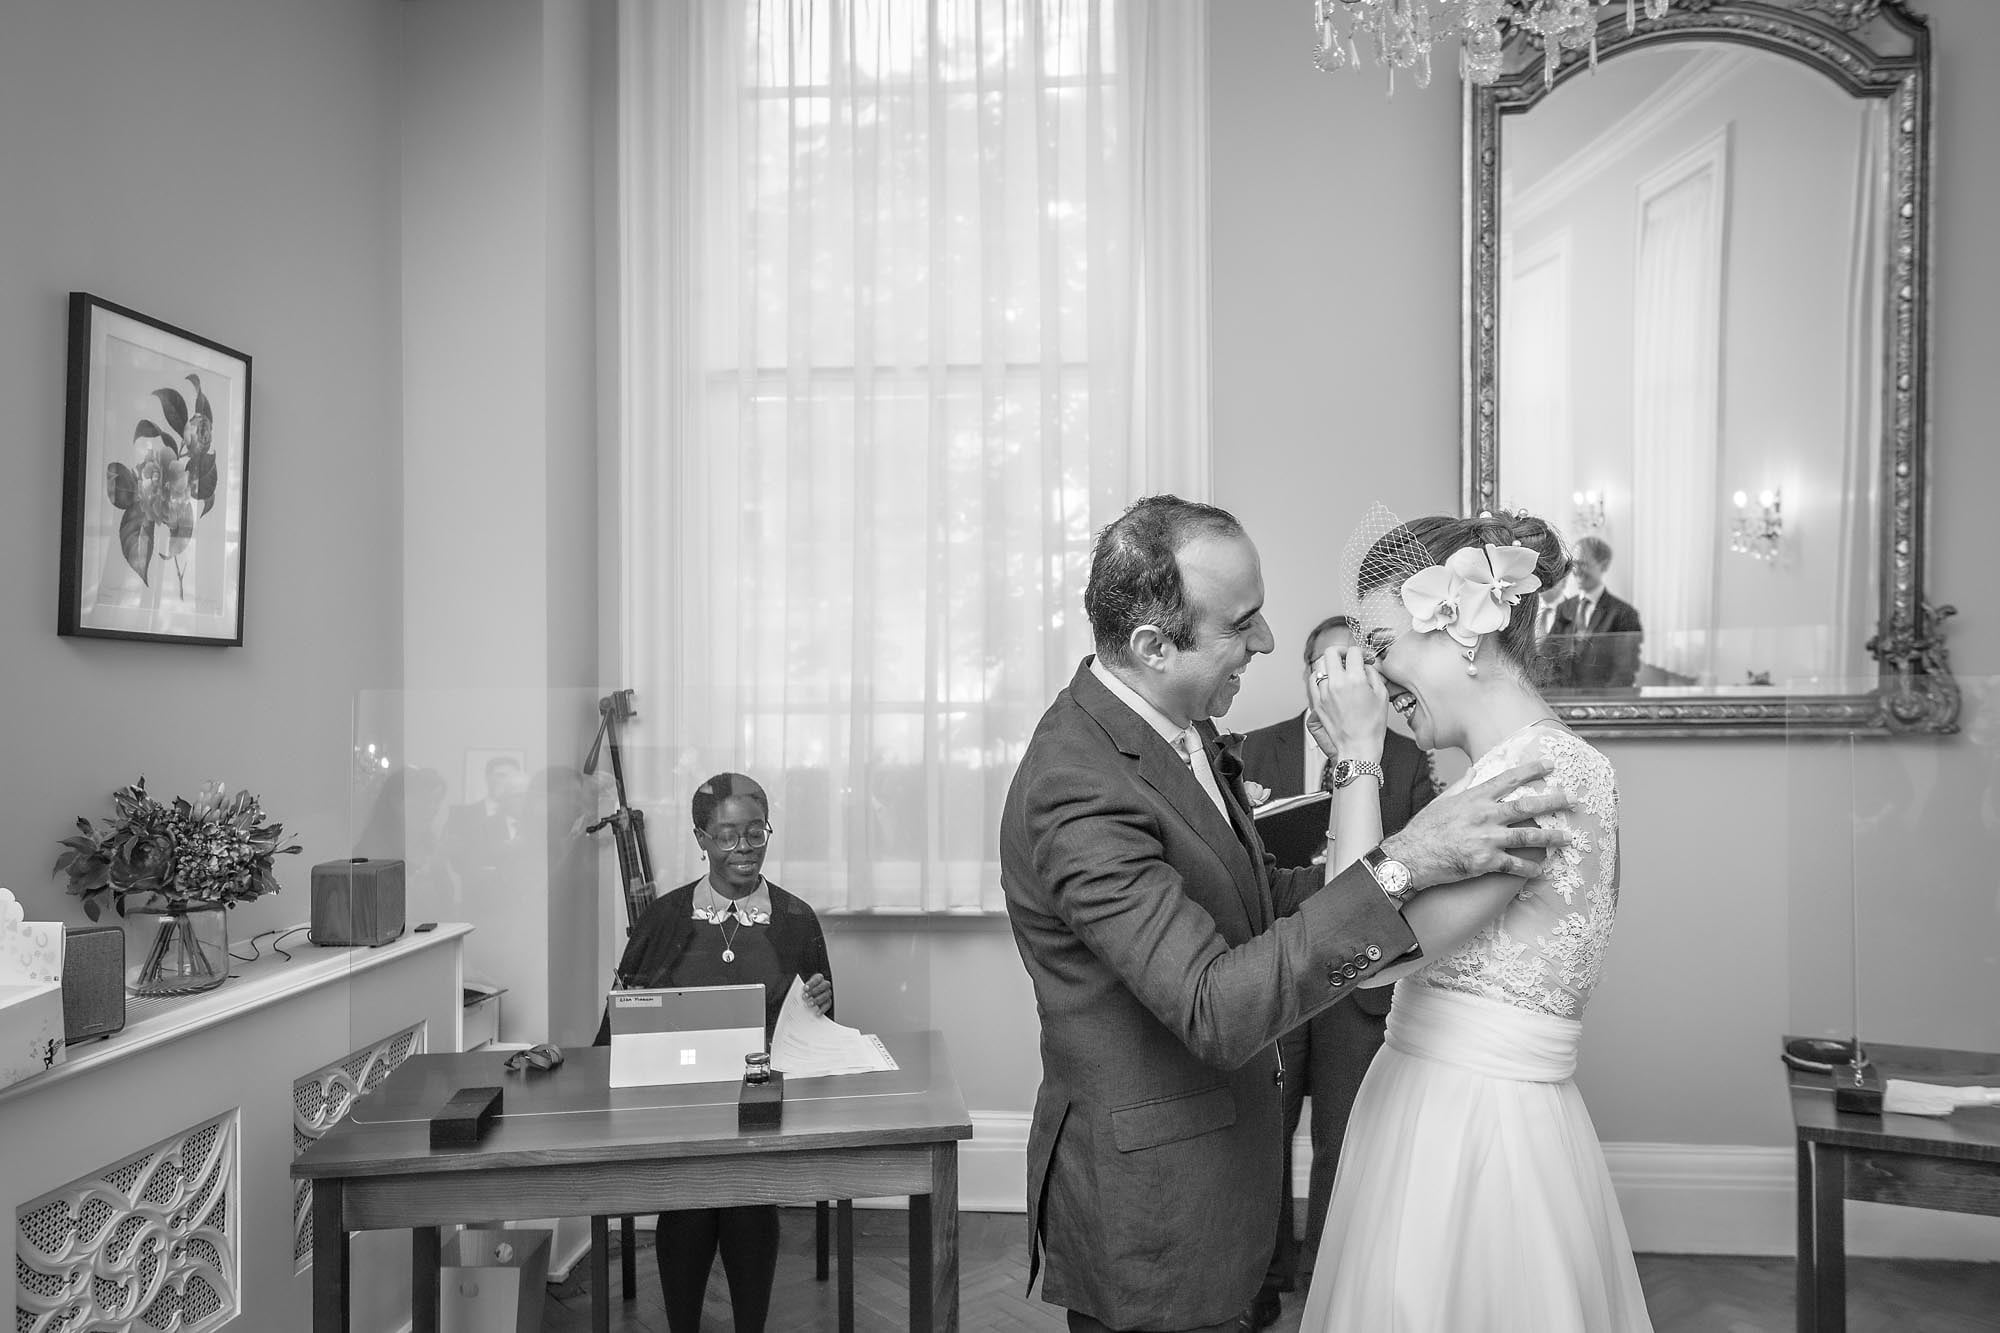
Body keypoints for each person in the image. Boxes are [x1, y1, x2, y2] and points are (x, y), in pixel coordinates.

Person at [999, 495, 1578, 1333]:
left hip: (1219, 1184)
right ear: (1155, 647)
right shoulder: (1077, 783)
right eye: (1243, 623)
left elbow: (1259, 897)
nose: (1269, 642)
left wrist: (1408, 851)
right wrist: (1405, 860)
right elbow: (1212, 1006)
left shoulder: (1178, 728)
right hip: (1156, 1219)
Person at [1298, 508, 1651, 1332]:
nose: (1376, 680)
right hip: (1426, 1100)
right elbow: (1355, 919)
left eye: (1381, 647)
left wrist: (1357, 752)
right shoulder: (1490, 780)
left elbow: (1358, 949)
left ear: (1461, 630)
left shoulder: (1544, 774)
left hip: (1477, 1132)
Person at [1236, 615, 1436, 1328]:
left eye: (1356, 664)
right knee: (1262, 1132)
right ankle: (1259, 1282)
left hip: (1362, 985)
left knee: (1344, 1138)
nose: (1341, 677)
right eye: (1327, 665)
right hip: (1283, 973)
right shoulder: (1252, 749)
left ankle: (1329, 1275)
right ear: (1307, 674)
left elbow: (1418, 881)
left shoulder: (1415, 761)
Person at [593, 773, 835, 1333]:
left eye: (756, 833)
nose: (744, 849)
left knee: (748, 1201)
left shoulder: (797, 919)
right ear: (701, 838)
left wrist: (819, 1004)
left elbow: (823, 1032)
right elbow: (618, 1028)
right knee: (691, 1200)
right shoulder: (663, 918)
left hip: (764, 1107)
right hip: (681, 1108)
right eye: (727, 836)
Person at [1547, 534, 1642, 689]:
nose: (1577, 571)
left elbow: (1624, 672)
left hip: (1601, 706)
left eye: (1583, 564)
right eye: (1574, 564)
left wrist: (1599, 707)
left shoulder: (1624, 614)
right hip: (1563, 704)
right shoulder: (1564, 608)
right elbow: (1549, 657)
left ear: (1603, 565)